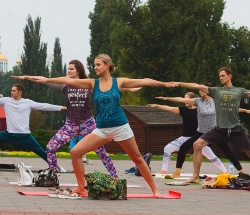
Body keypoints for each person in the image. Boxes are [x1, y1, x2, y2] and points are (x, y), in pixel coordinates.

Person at [31, 54, 169, 197]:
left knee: (137, 158)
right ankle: (80, 187)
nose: (95, 67)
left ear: (107, 65)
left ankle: (155, 190)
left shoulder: (119, 82)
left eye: (98, 65)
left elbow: (144, 81)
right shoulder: (92, 83)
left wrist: (164, 84)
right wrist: (47, 79)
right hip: (102, 129)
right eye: (94, 65)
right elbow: (66, 80)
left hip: (120, 127)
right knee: (75, 152)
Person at [166, 67, 250, 185]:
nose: (221, 78)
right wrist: (179, 83)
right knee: (197, 145)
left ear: (230, 76)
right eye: (220, 76)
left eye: (223, 75)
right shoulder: (216, 91)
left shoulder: (238, 91)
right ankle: (195, 176)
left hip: (235, 129)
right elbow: (197, 86)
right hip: (219, 129)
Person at [13, 60, 118, 177]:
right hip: (70, 125)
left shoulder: (88, 83)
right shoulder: (64, 84)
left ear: (78, 70)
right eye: (68, 69)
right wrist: (27, 77)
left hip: (88, 124)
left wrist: (128, 88)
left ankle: (115, 177)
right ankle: (52, 175)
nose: (69, 71)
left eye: (71, 69)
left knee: (101, 152)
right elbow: (44, 79)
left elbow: (108, 88)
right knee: (50, 147)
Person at [153, 84, 250, 178]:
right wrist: (166, 98)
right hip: (201, 132)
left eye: (202, 90)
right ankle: (177, 172)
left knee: (227, 151)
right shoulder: (198, 101)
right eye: (199, 90)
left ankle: (241, 172)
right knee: (183, 147)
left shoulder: (215, 101)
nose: (201, 92)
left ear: (207, 90)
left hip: (215, 131)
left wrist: (245, 111)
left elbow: (231, 108)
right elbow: (181, 100)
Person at [0, 84, 66, 164]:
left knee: (40, 151)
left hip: (25, 136)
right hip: (9, 134)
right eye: (11, 90)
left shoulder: (27, 103)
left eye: (14, 91)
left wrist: (60, 107)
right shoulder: (5, 101)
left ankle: (55, 166)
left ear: (20, 92)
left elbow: (43, 106)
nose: (11, 92)